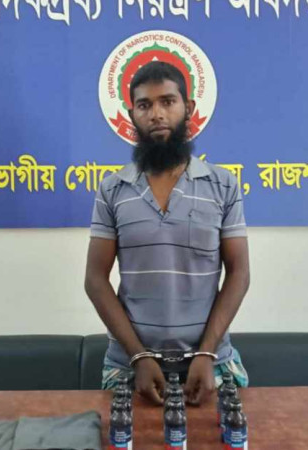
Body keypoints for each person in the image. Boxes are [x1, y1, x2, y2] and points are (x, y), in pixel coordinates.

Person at [84, 61, 250, 406]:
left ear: (188, 108)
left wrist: (206, 353)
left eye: (168, 102)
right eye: (145, 105)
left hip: (211, 366)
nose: (157, 114)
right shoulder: (112, 189)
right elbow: (95, 280)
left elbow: (239, 273)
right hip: (130, 367)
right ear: (132, 115)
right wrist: (139, 356)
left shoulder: (223, 185)